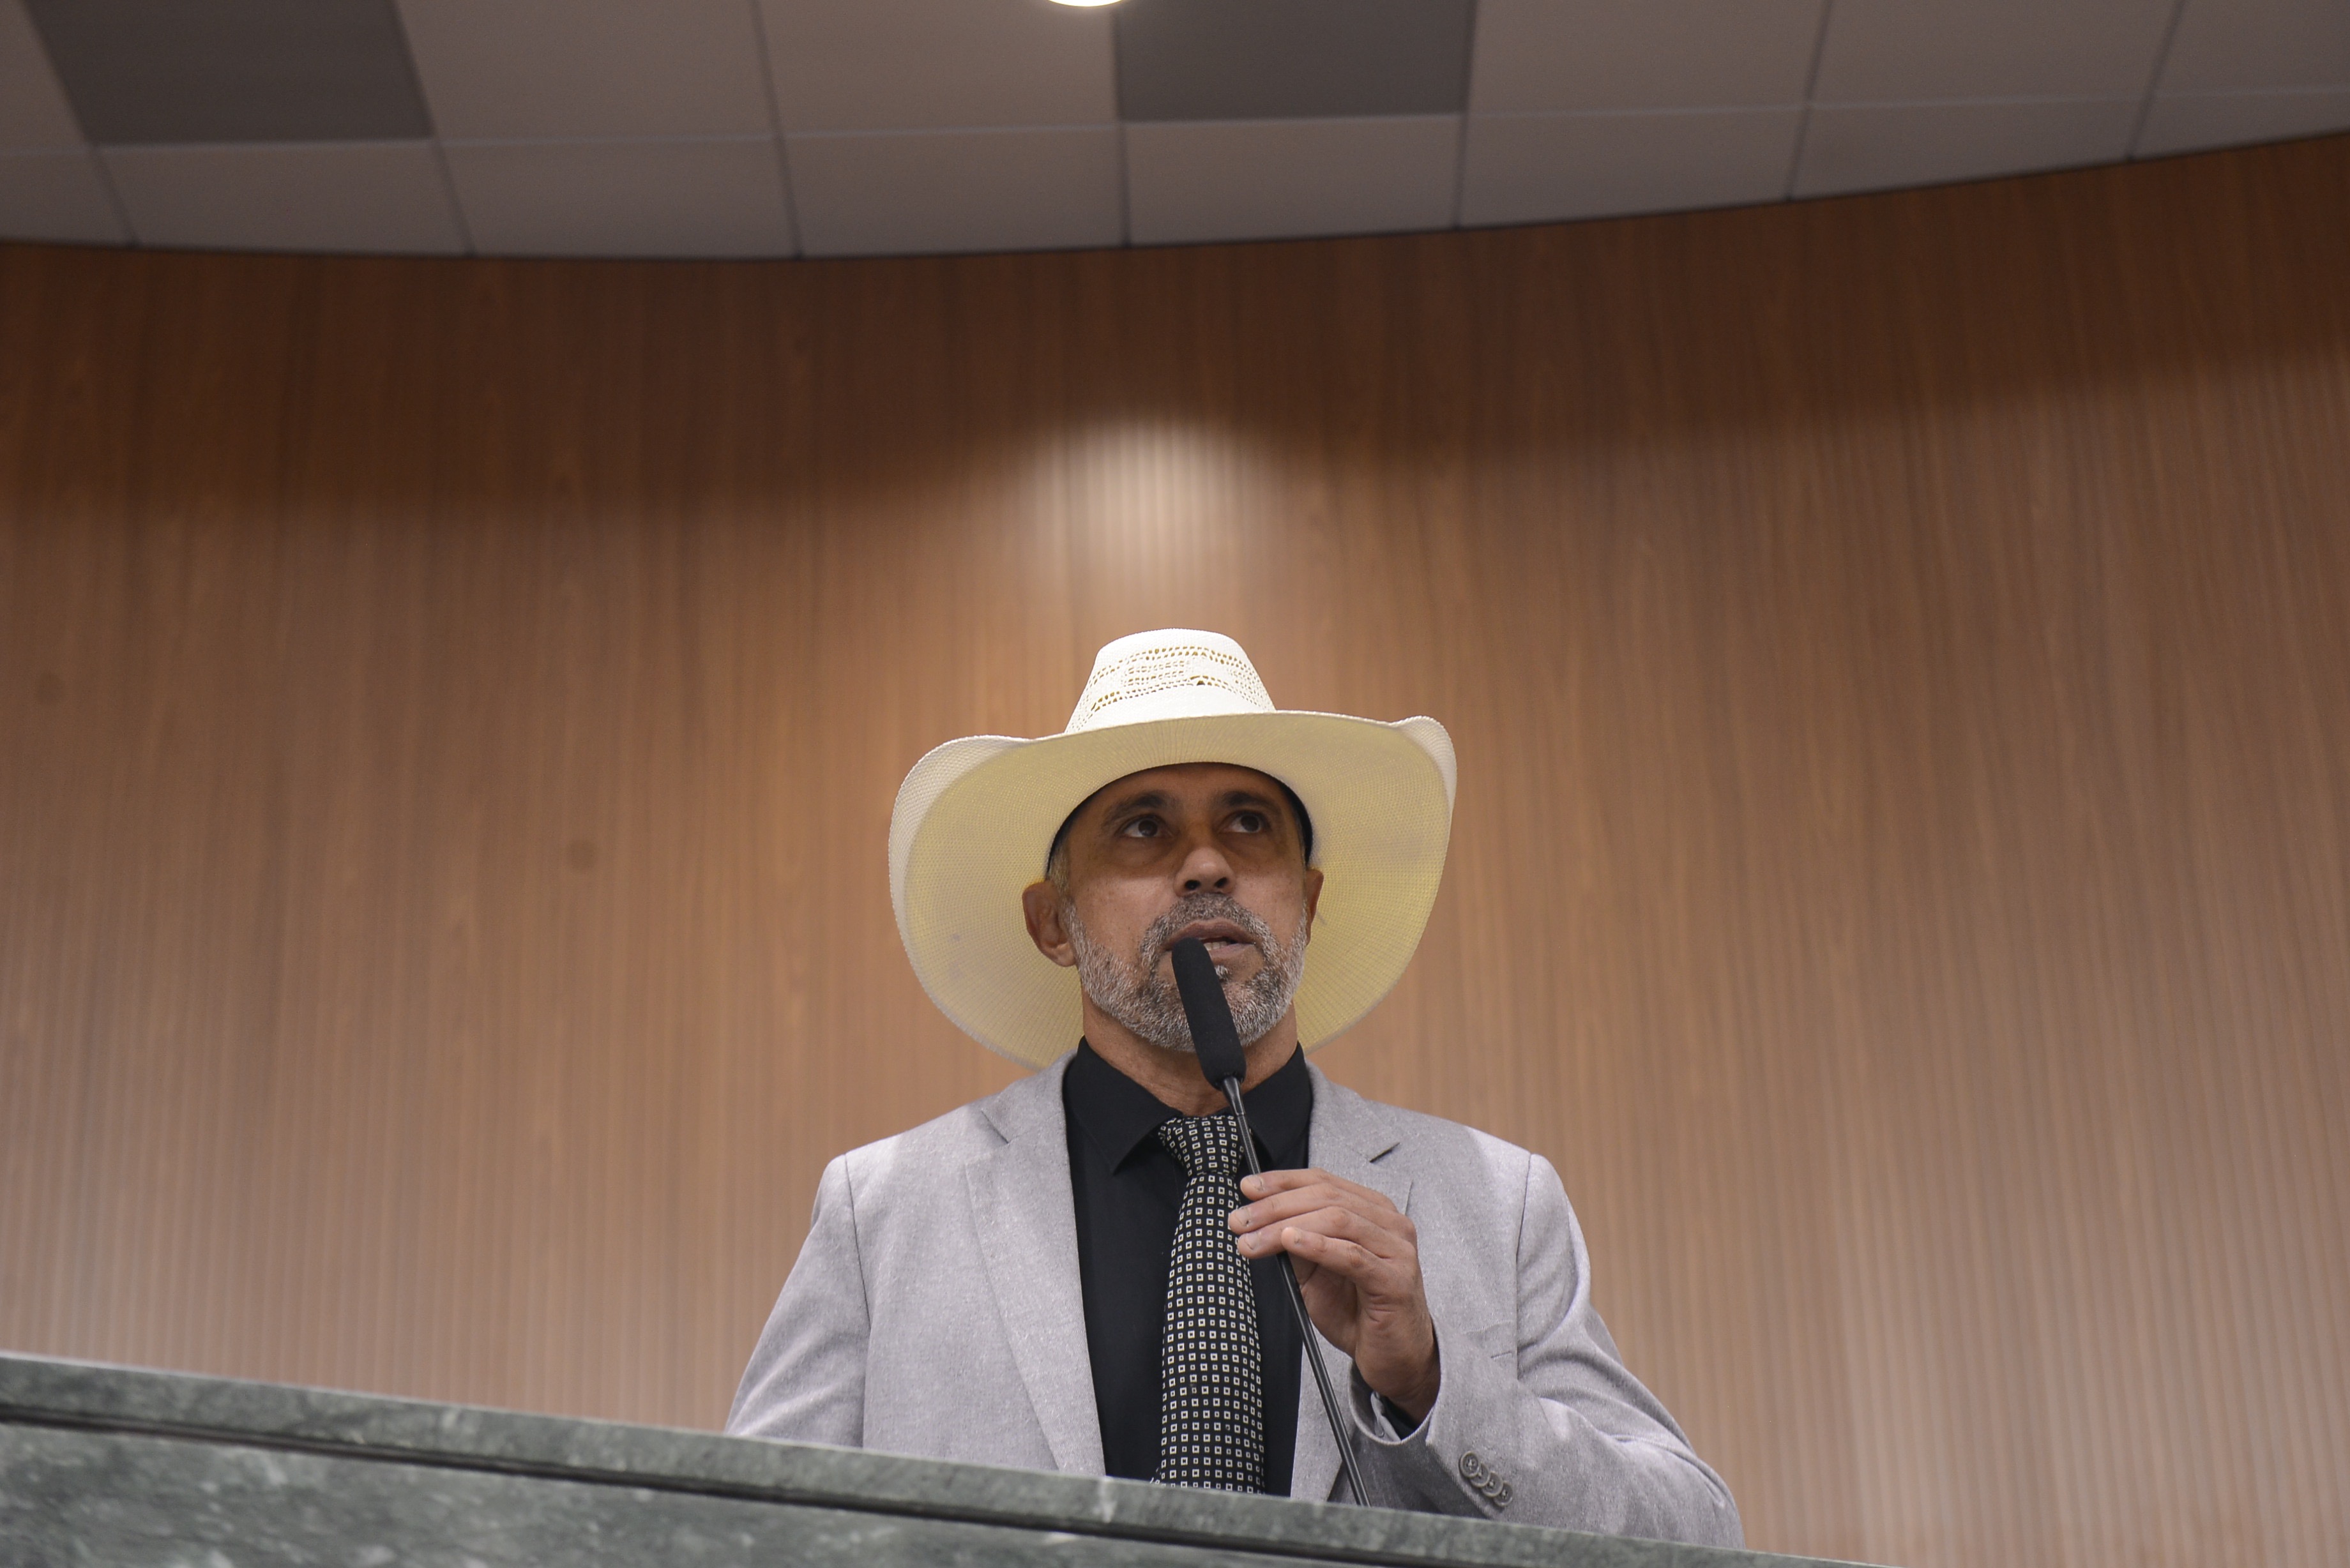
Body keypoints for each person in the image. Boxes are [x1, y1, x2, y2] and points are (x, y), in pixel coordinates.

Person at [728, 629, 1741, 1544]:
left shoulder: (1497, 1200)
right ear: (1052, 922)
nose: (1207, 865)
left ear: (1308, 901)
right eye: (1142, 829)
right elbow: (730, 1536)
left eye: (1249, 824)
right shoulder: (884, 1211)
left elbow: (1692, 1536)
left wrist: (1433, 1382)